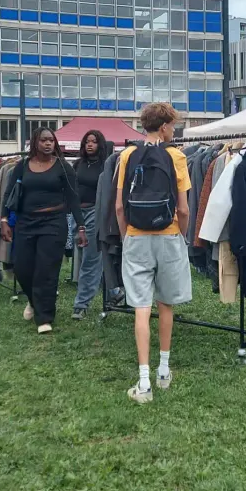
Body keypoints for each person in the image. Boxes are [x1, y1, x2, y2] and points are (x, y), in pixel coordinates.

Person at [116, 102, 192, 404]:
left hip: (136, 236)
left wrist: (126, 237)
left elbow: (120, 206)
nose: (173, 130)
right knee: (166, 304)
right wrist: (180, 234)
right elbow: (183, 208)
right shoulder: (176, 156)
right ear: (163, 127)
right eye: (172, 125)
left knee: (141, 308)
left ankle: (144, 381)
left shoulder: (126, 155)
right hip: (169, 234)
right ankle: (163, 371)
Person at [2, 128, 86, 333]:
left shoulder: (64, 167)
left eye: (51, 140)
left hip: (54, 222)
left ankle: (44, 318)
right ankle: (33, 300)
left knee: (46, 271)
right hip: (26, 222)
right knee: (22, 268)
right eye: (43, 140)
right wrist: (4, 219)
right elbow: (9, 193)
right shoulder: (22, 166)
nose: (48, 144)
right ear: (35, 142)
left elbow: (74, 198)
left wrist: (81, 226)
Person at [72, 130, 110, 319]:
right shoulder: (78, 164)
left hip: (96, 212)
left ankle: (81, 304)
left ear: (100, 145)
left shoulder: (106, 165)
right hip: (77, 214)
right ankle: (114, 292)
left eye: (94, 142)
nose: (89, 145)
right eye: (87, 141)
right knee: (86, 258)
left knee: (90, 259)